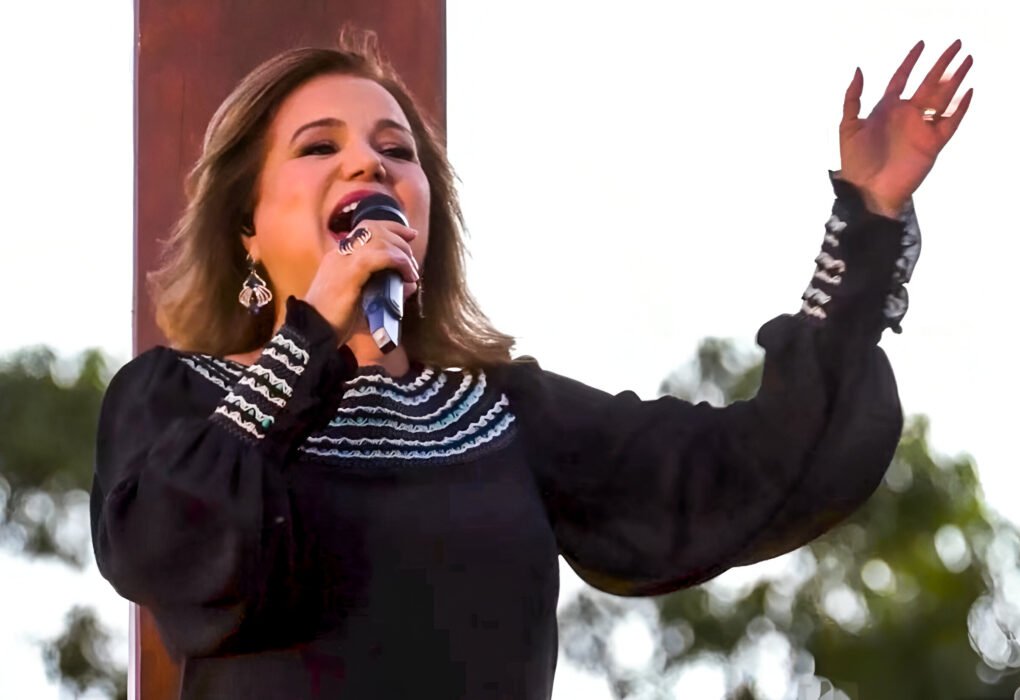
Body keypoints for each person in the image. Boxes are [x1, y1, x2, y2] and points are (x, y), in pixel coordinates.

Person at [90, 29, 972, 700]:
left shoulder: (505, 413)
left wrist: (865, 221)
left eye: (397, 151)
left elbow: (753, 466)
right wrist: (313, 330)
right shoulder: (180, 401)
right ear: (247, 227)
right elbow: (168, 543)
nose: (368, 162)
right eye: (320, 146)